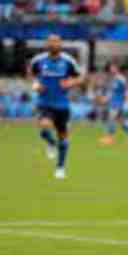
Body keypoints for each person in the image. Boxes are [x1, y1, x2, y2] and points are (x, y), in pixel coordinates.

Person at [28, 34, 84, 179]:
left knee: (63, 137)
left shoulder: (68, 61)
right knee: (44, 127)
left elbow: (81, 77)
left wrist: (70, 83)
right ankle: (52, 143)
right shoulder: (39, 60)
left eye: (56, 42)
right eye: (51, 42)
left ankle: (60, 168)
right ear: (47, 44)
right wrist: (35, 85)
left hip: (62, 104)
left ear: (60, 44)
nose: (53, 44)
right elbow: (30, 74)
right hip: (45, 103)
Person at [99, 63, 128, 145]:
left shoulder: (121, 78)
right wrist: (106, 98)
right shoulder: (113, 79)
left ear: (117, 68)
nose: (111, 69)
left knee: (112, 118)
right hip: (113, 102)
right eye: (111, 68)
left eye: (113, 68)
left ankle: (109, 138)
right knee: (120, 121)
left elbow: (127, 89)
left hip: (119, 102)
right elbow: (112, 91)